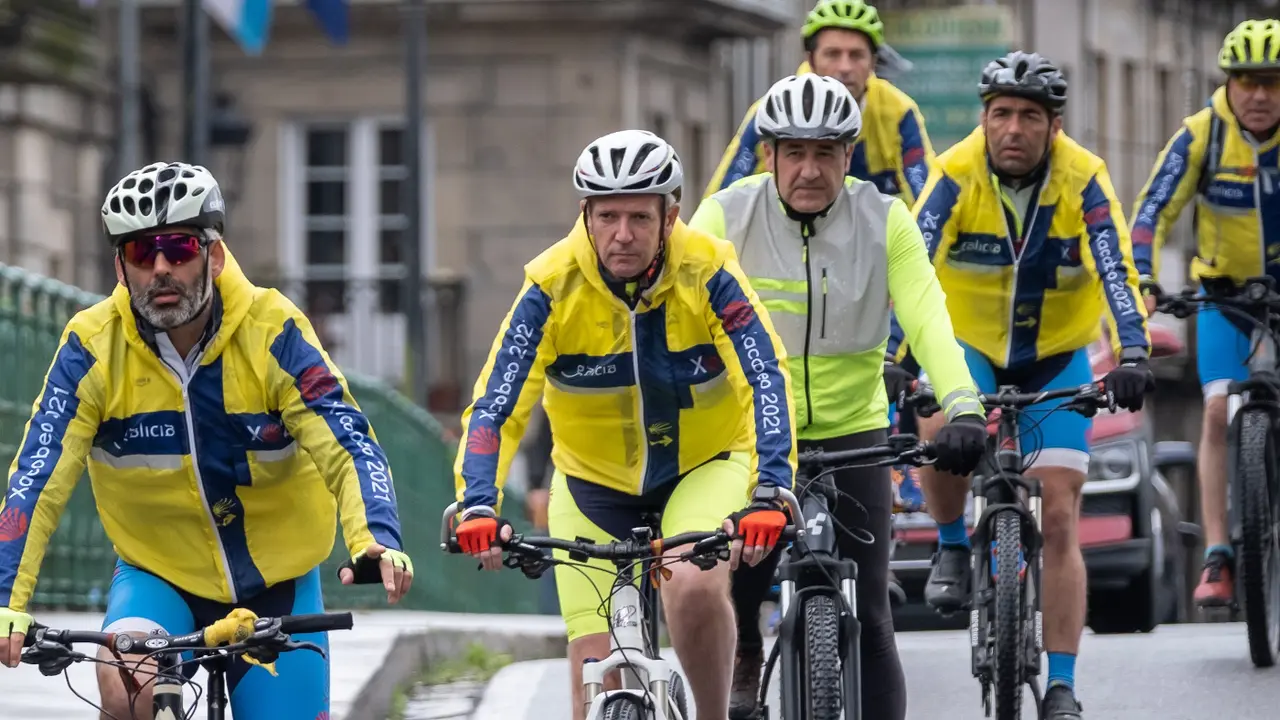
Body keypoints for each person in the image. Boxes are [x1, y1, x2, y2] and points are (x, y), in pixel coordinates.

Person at [0, 162, 413, 719]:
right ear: (121, 268)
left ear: (214, 255)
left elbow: (347, 441)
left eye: (180, 247)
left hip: (276, 584)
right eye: (143, 253)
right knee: (124, 679)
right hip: (158, 577)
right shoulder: (90, 347)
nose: (162, 269)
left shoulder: (274, 330)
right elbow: (37, 476)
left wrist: (376, 537)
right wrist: (7, 598)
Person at [449, 130, 798, 720]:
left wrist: (770, 487)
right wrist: (477, 502)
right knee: (592, 666)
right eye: (606, 216)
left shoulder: (709, 271)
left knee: (689, 580)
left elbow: (765, 375)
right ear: (584, 214)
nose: (622, 235)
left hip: (704, 466)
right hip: (592, 486)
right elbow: (496, 406)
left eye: (640, 216)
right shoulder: (550, 288)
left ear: (671, 216)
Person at [690, 73, 988, 720]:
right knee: (738, 591)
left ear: (848, 156)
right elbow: (675, 322)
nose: (808, 169)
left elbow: (930, 322)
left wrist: (962, 404)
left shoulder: (884, 221)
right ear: (766, 155)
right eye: (793, 152)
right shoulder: (723, 218)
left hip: (855, 431)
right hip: (749, 436)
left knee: (875, 614)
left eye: (825, 152)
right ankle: (744, 648)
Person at [889, 52, 1155, 719]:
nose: (1012, 128)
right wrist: (896, 356)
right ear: (984, 119)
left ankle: (1061, 683)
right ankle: (952, 545)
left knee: (1061, 514)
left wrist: (1133, 353)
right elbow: (914, 265)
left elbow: (1117, 269)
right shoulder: (954, 172)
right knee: (940, 422)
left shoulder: (1084, 177)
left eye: (1029, 116)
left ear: (1053, 126)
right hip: (968, 348)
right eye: (1000, 114)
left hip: (1056, 354)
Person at [1131, 18, 1280, 609]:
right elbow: (1150, 213)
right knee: (1217, 408)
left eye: (1273, 82)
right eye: (1249, 82)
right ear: (1230, 83)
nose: (1262, 95)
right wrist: (1142, 276)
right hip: (1224, 295)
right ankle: (1219, 553)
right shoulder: (1201, 135)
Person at [704, 0, 935, 207]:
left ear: (873, 61)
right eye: (832, 54)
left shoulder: (899, 112)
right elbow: (721, 197)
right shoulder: (773, 109)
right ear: (811, 59)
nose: (845, 67)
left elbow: (926, 197)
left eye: (856, 55)